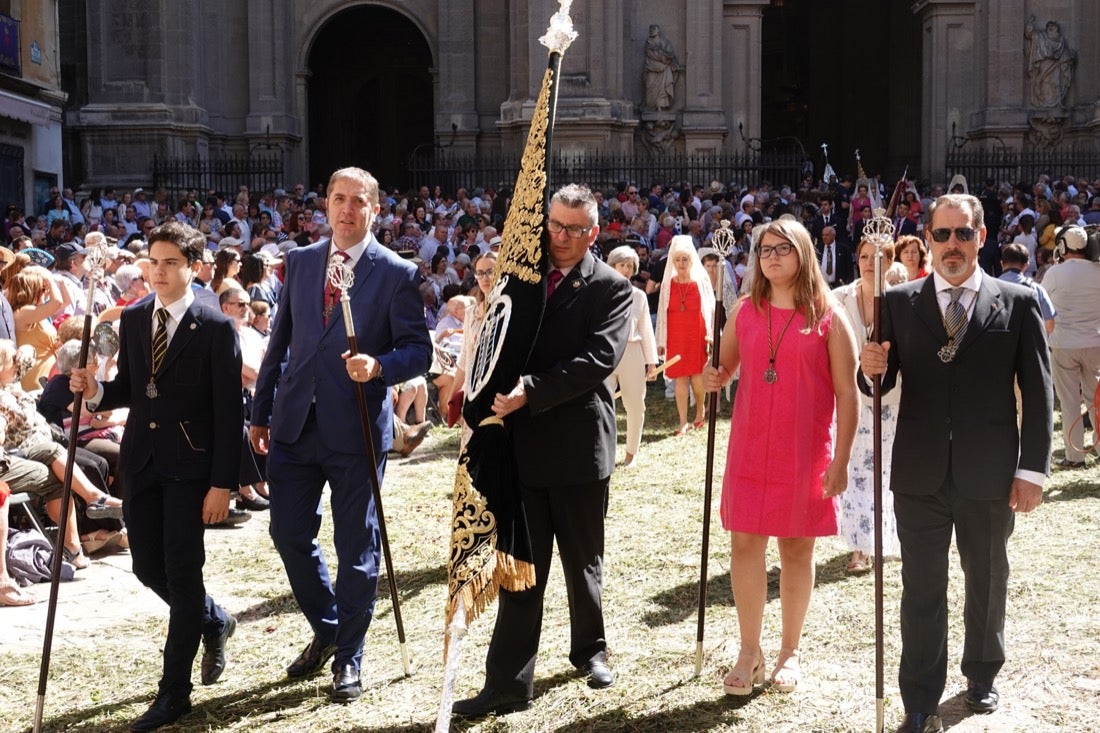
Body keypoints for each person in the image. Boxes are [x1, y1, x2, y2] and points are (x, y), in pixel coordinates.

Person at [859, 194, 1052, 733]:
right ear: (929, 239)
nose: (951, 246)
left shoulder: (1016, 302)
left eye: (962, 235)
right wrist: (868, 367)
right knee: (921, 587)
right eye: (941, 235)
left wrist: (1031, 471)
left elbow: (1038, 396)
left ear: (981, 237)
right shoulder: (898, 301)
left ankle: (983, 674)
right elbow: (881, 378)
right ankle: (919, 696)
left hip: (989, 473)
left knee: (986, 578)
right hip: (919, 473)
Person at [249, 167, 432, 703]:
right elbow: (279, 342)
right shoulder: (302, 262)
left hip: (354, 426)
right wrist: (260, 412)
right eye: (337, 199)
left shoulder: (396, 273)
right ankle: (330, 629)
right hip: (293, 424)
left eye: (358, 201)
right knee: (287, 535)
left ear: (375, 210)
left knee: (356, 548)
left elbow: (418, 350)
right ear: (325, 206)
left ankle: (348, 657)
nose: (346, 209)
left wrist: (379, 365)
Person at [453, 183, 632, 717]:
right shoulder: (520, 279)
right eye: (555, 225)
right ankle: (507, 682)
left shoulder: (611, 289)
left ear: (594, 233)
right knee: (521, 567)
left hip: (578, 444)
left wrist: (528, 390)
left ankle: (590, 651)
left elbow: (597, 360)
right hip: (521, 445)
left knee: (583, 560)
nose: (562, 237)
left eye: (576, 229)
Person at [68, 220, 243, 732]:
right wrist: (95, 392)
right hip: (141, 462)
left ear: (193, 267)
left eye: (171, 262)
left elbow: (228, 412)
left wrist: (222, 483)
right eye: (154, 261)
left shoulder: (214, 328)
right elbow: (131, 387)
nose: (160, 271)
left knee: (183, 574)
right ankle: (214, 620)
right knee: (147, 567)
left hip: (191, 469)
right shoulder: (135, 316)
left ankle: (174, 693)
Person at [702, 218, 858, 699]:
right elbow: (724, 367)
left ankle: (790, 650)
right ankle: (750, 651)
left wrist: (842, 460)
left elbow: (848, 395)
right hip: (750, 447)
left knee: (795, 549)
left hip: (804, 450)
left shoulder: (829, 315)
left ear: (803, 255)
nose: (771, 256)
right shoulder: (745, 310)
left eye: (783, 248)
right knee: (745, 546)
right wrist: (714, 377)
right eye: (765, 249)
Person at [832, 238, 901, 573]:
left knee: (885, 470)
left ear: (890, 262)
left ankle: (886, 538)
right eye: (864, 257)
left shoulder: (902, 300)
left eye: (879, 257)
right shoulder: (838, 298)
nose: (871, 263)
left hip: (892, 399)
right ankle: (859, 548)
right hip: (849, 396)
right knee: (855, 468)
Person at [1038, 225, 1100, 469]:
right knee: (1096, 398)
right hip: (1095, 342)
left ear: (1062, 246)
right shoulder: (1097, 270)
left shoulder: (1056, 273)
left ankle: (1075, 457)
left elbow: (1043, 304)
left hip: (1064, 344)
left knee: (1069, 401)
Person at [605, 246, 658, 467]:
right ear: (612, 265)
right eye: (622, 265)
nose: (626, 270)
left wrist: (651, 361)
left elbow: (646, 329)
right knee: (601, 404)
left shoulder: (639, 296)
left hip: (632, 351)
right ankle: (604, 451)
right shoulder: (600, 291)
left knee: (635, 404)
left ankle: (631, 454)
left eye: (629, 266)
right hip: (605, 352)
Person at [656, 235, 714, 436]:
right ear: (673, 261)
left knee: (697, 377)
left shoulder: (701, 283)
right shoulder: (668, 284)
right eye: (678, 260)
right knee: (680, 378)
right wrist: (661, 341)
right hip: (676, 335)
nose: (681, 263)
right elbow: (663, 313)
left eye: (685, 259)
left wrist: (710, 337)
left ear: (691, 261)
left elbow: (710, 311)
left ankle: (700, 410)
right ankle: (682, 422)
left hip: (696, 334)